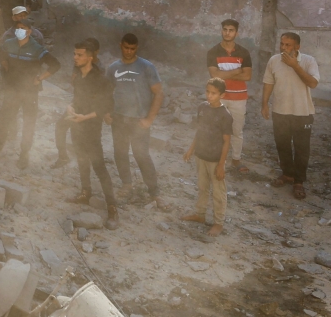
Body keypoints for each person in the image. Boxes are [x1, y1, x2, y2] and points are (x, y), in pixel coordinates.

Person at [106, 33, 167, 208]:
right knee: (120, 152)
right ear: (121, 45)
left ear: (137, 48)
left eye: (132, 48)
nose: (129, 51)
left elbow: (158, 93)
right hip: (119, 119)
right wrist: (107, 112)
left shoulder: (146, 67)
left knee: (141, 155)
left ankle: (154, 192)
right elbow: (106, 92)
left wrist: (149, 119)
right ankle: (127, 184)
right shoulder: (113, 68)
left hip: (139, 121)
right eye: (126, 47)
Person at [64, 41, 119, 229]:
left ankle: (112, 207)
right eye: (74, 54)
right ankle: (85, 193)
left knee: (99, 166)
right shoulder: (79, 77)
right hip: (76, 125)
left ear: (90, 57)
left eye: (79, 55)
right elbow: (77, 98)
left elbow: (107, 106)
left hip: (91, 128)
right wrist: (70, 106)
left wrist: (84, 117)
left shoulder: (101, 79)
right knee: (81, 160)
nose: (75, 58)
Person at [0, 19, 61, 169]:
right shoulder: (9, 43)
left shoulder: (37, 48)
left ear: (30, 31)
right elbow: (0, 53)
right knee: (5, 117)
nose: (20, 30)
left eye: (23, 28)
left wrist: (40, 78)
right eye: (17, 28)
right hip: (12, 90)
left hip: (30, 93)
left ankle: (24, 154)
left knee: (28, 123)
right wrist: (5, 65)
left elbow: (55, 64)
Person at [262, 32, 320, 200]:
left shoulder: (309, 61)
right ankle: (287, 174)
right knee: (282, 144)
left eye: (288, 45)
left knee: (302, 148)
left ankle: (299, 181)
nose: (283, 48)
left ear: (297, 47)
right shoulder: (274, 60)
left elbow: (313, 83)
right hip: (280, 111)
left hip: (303, 112)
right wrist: (264, 103)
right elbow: (268, 82)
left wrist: (296, 66)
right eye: (282, 44)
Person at [182, 78, 233, 237]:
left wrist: (221, 165)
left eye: (214, 93)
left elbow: (226, 141)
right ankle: (200, 214)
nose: (210, 96)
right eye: (208, 92)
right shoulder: (202, 108)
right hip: (201, 155)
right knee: (202, 187)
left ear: (222, 94)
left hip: (215, 159)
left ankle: (218, 222)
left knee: (218, 192)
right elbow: (200, 130)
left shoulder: (225, 115)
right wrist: (191, 149)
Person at [206, 19, 252, 174]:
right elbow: (214, 75)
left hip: (239, 98)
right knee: (216, 130)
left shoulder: (244, 52)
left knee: (237, 131)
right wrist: (237, 71)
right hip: (220, 97)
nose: (227, 32)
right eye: (225, 29)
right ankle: (216, 160)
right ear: (221, 31)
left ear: (236, 33)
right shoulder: (213, 52)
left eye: (231, 30)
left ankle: (236, 160)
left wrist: (224, 75)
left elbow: (248, 76)